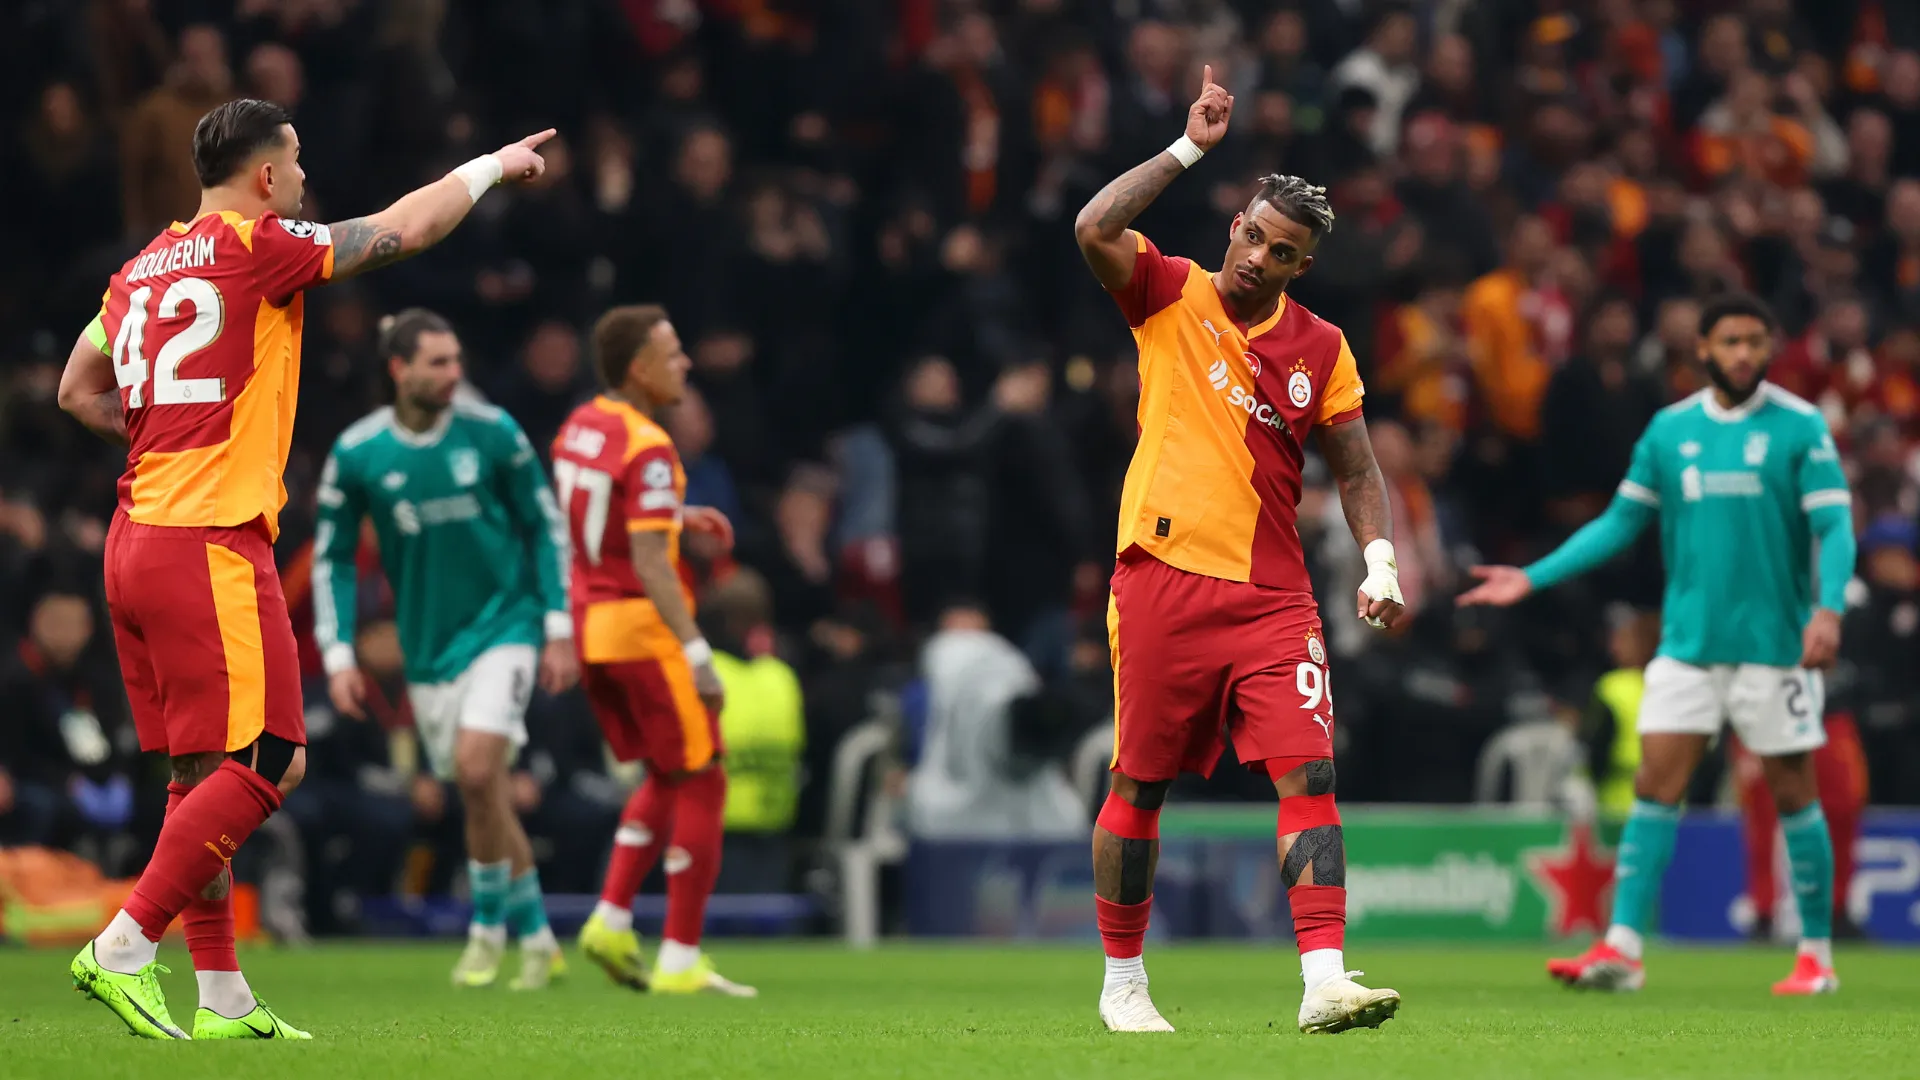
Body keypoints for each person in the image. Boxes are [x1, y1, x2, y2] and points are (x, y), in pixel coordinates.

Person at [54, 96, 553, 1039]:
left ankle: (223, 997)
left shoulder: (137, 272)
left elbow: (77, 386)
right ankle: (123, 942)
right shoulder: (259, 244)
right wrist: (490, 166)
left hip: (135, 541)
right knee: (273, 757)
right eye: (298, 165)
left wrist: (158, 439)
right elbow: (405, 230)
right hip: (207, 540)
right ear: (268, 177)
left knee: (201, 770)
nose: (305, 181)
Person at [1072, 66, 1406, 1035]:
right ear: (1234, 228)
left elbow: (1357, 469)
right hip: (1162, 579)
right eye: (1252, 235)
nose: (1257, 257)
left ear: (1303, 267)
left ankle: (1324, 980)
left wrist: (1380, 561)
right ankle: (1123, 984)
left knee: (1310, 774)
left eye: (1281, 251)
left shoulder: (1322, 348)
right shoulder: (1169, 297)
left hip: (1272, 598)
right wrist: (1188, 149)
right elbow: (1094, 228)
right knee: (1140, 783)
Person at [1459, 293, 1856, 996]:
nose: (1744, 354)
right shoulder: (1670, 431)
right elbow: (1618, 524)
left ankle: (1816, 955)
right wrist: (1532, 577)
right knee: (1653, 787)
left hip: (1775, 649)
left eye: (1755, 342)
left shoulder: (1800, 427)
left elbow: (1835, 528)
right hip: (1687, 647)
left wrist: (1826, 610)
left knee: (1796, 796)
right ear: (1701, 349)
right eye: (1731, 341)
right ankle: (1622, 949)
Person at [313, 308, 579, 989]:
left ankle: (486, 933)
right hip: (428, 648)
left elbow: (544, 525)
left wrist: (556, 624)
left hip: (506, 625)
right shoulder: (360, 452)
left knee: (475, 763)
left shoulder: (492, 434)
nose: (453, 374)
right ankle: (540, 936)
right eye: (437, 363)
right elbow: (334, 559)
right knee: (481, 788)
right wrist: (338, 654)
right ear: (399, 371)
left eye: (457, 361)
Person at [553, 305, 754, 998]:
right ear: (638, 368)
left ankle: (610, 918)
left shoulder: (582, 424)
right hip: (644, 630)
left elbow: (596, 515)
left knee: (665, 775)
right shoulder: (651, 445)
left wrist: (674, 515)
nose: (686, 364)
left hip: (593, 630)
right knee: (704, 775)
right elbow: (649, 562)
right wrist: (697, 651)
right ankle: (680, 956)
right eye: (672, 354)